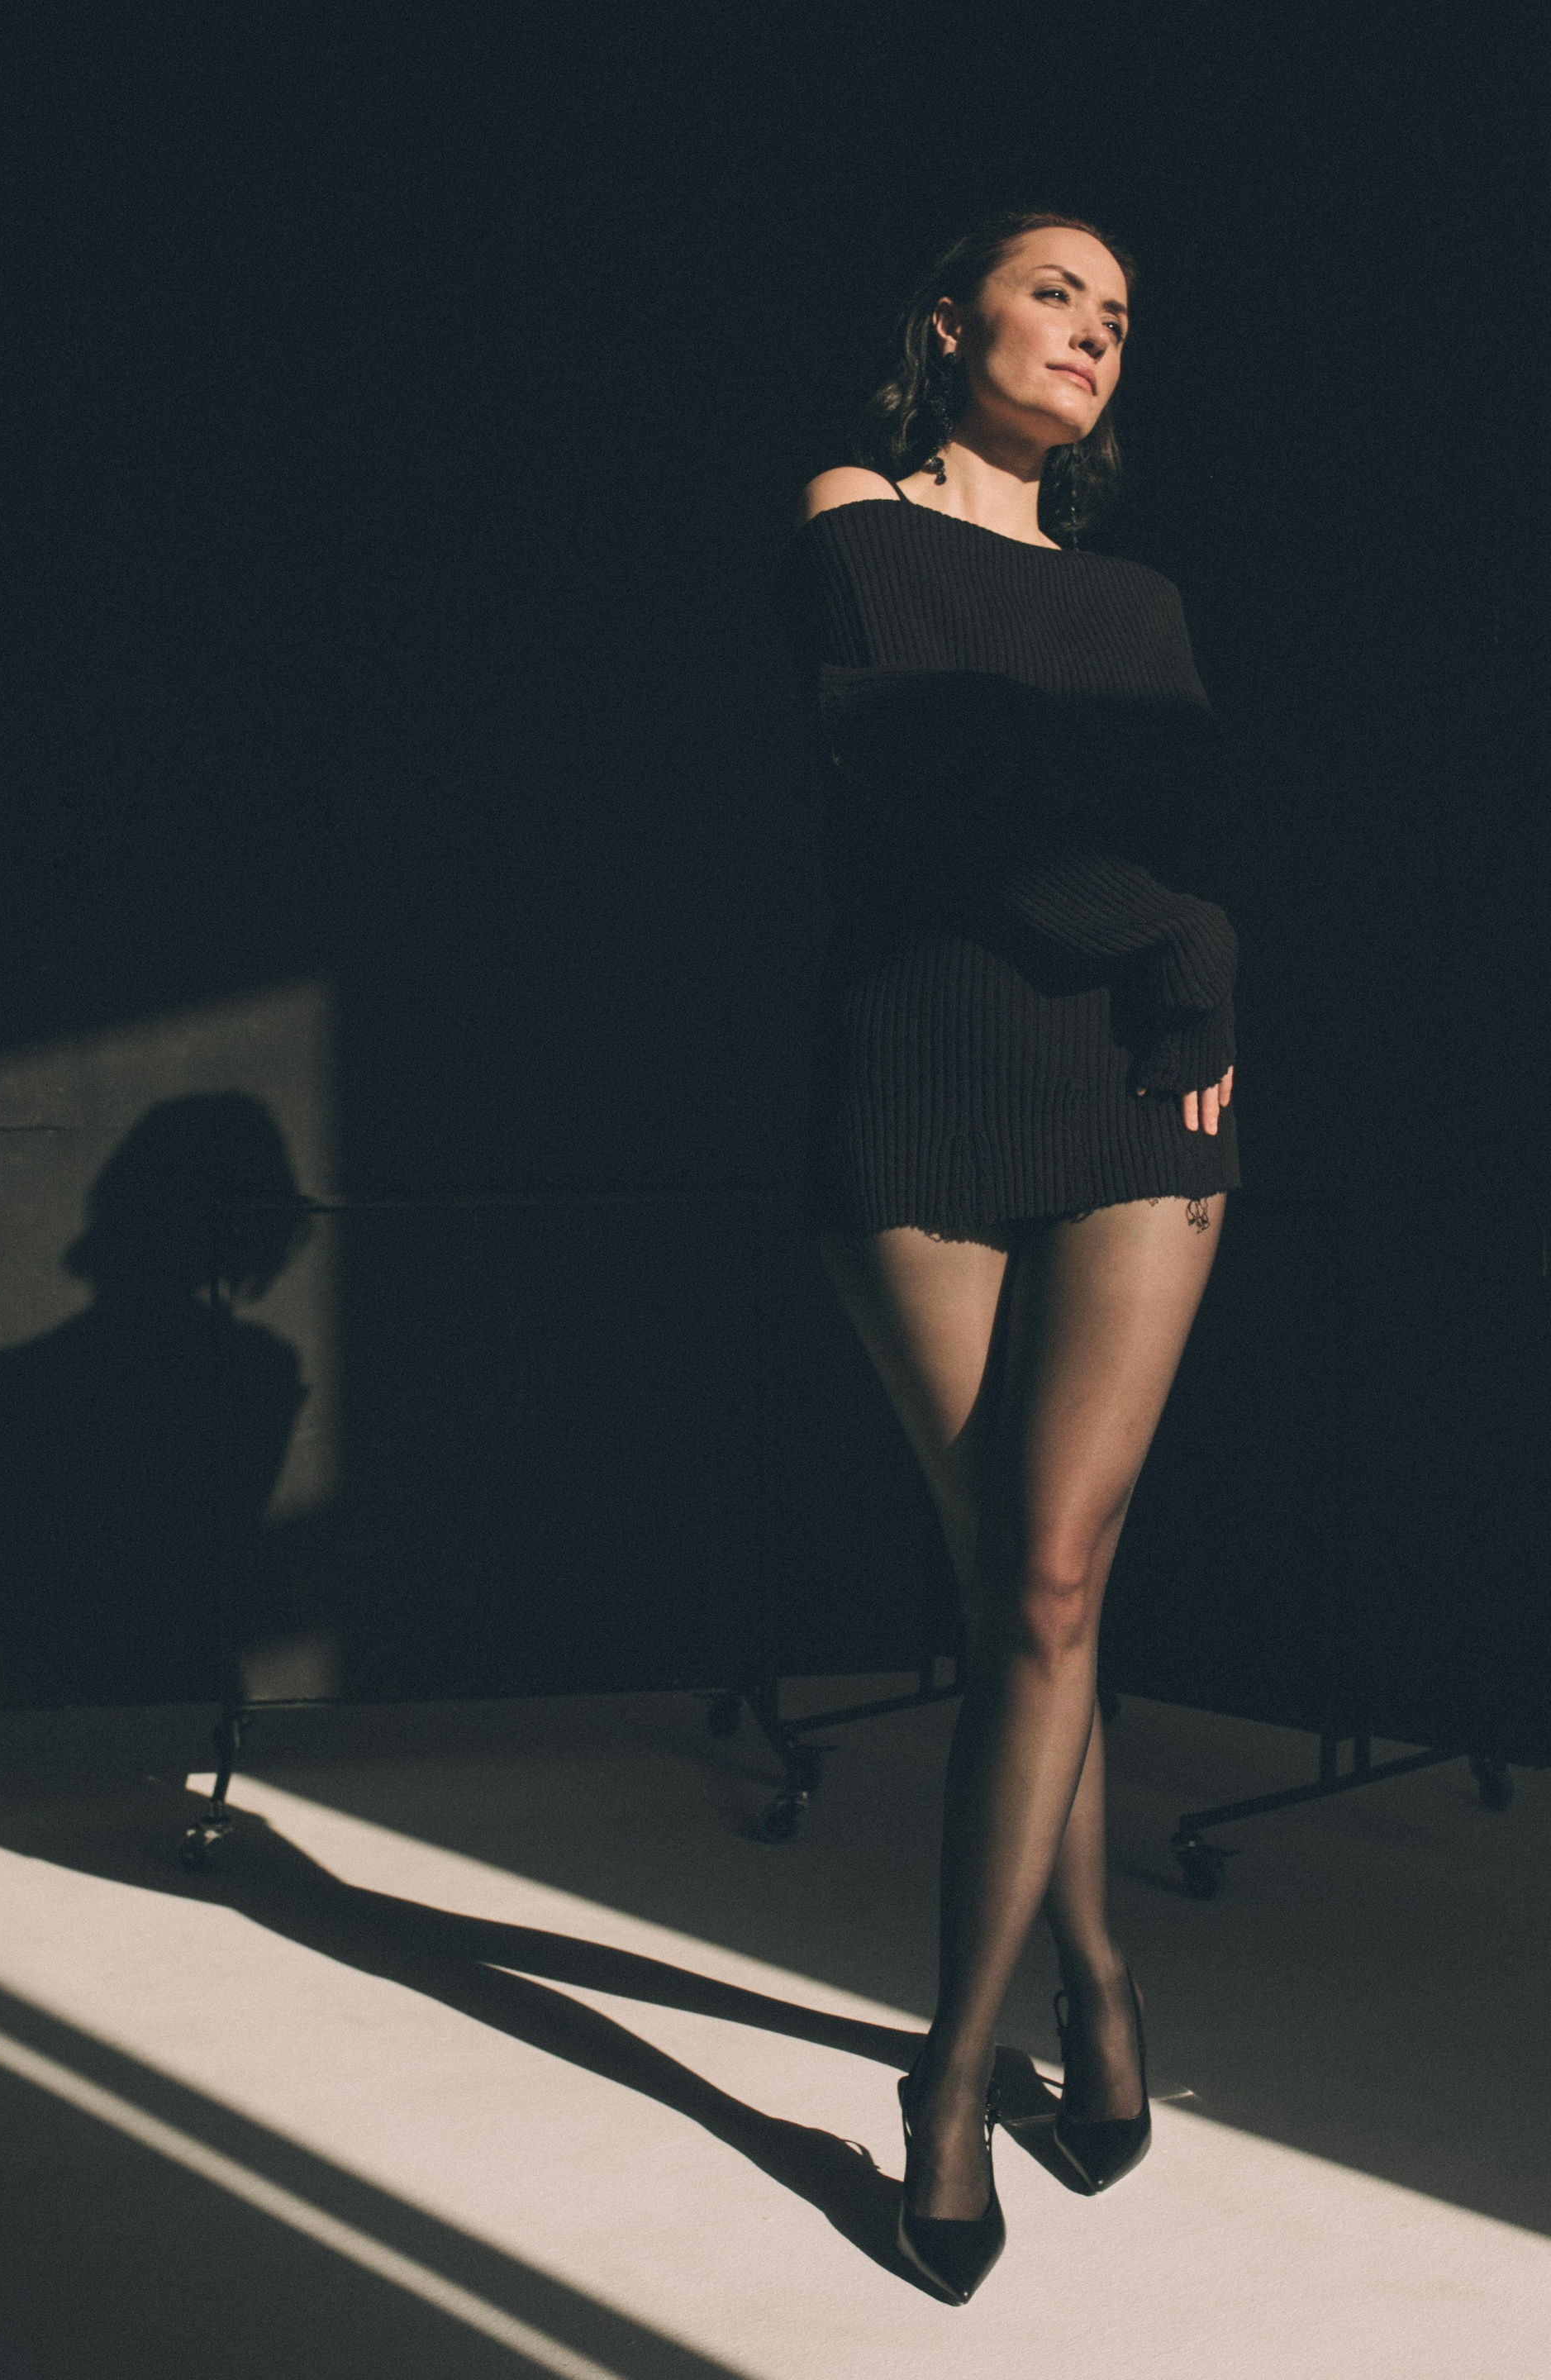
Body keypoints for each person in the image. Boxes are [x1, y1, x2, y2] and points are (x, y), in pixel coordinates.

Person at [777, 209, 1239, 2303]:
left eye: (1120, 317)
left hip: (1137, 1091)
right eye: (1060, 293)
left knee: (1052, 1579)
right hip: (925, 1078)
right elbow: (947, 790)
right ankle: (1100, 1973)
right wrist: (1183, 938)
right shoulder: (855, 516)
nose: (1094, 333)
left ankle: (951, 2082)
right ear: (951, 320)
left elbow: (1179, 831)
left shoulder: (1142, 599)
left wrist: (1191, 960)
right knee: (1013, 1591)